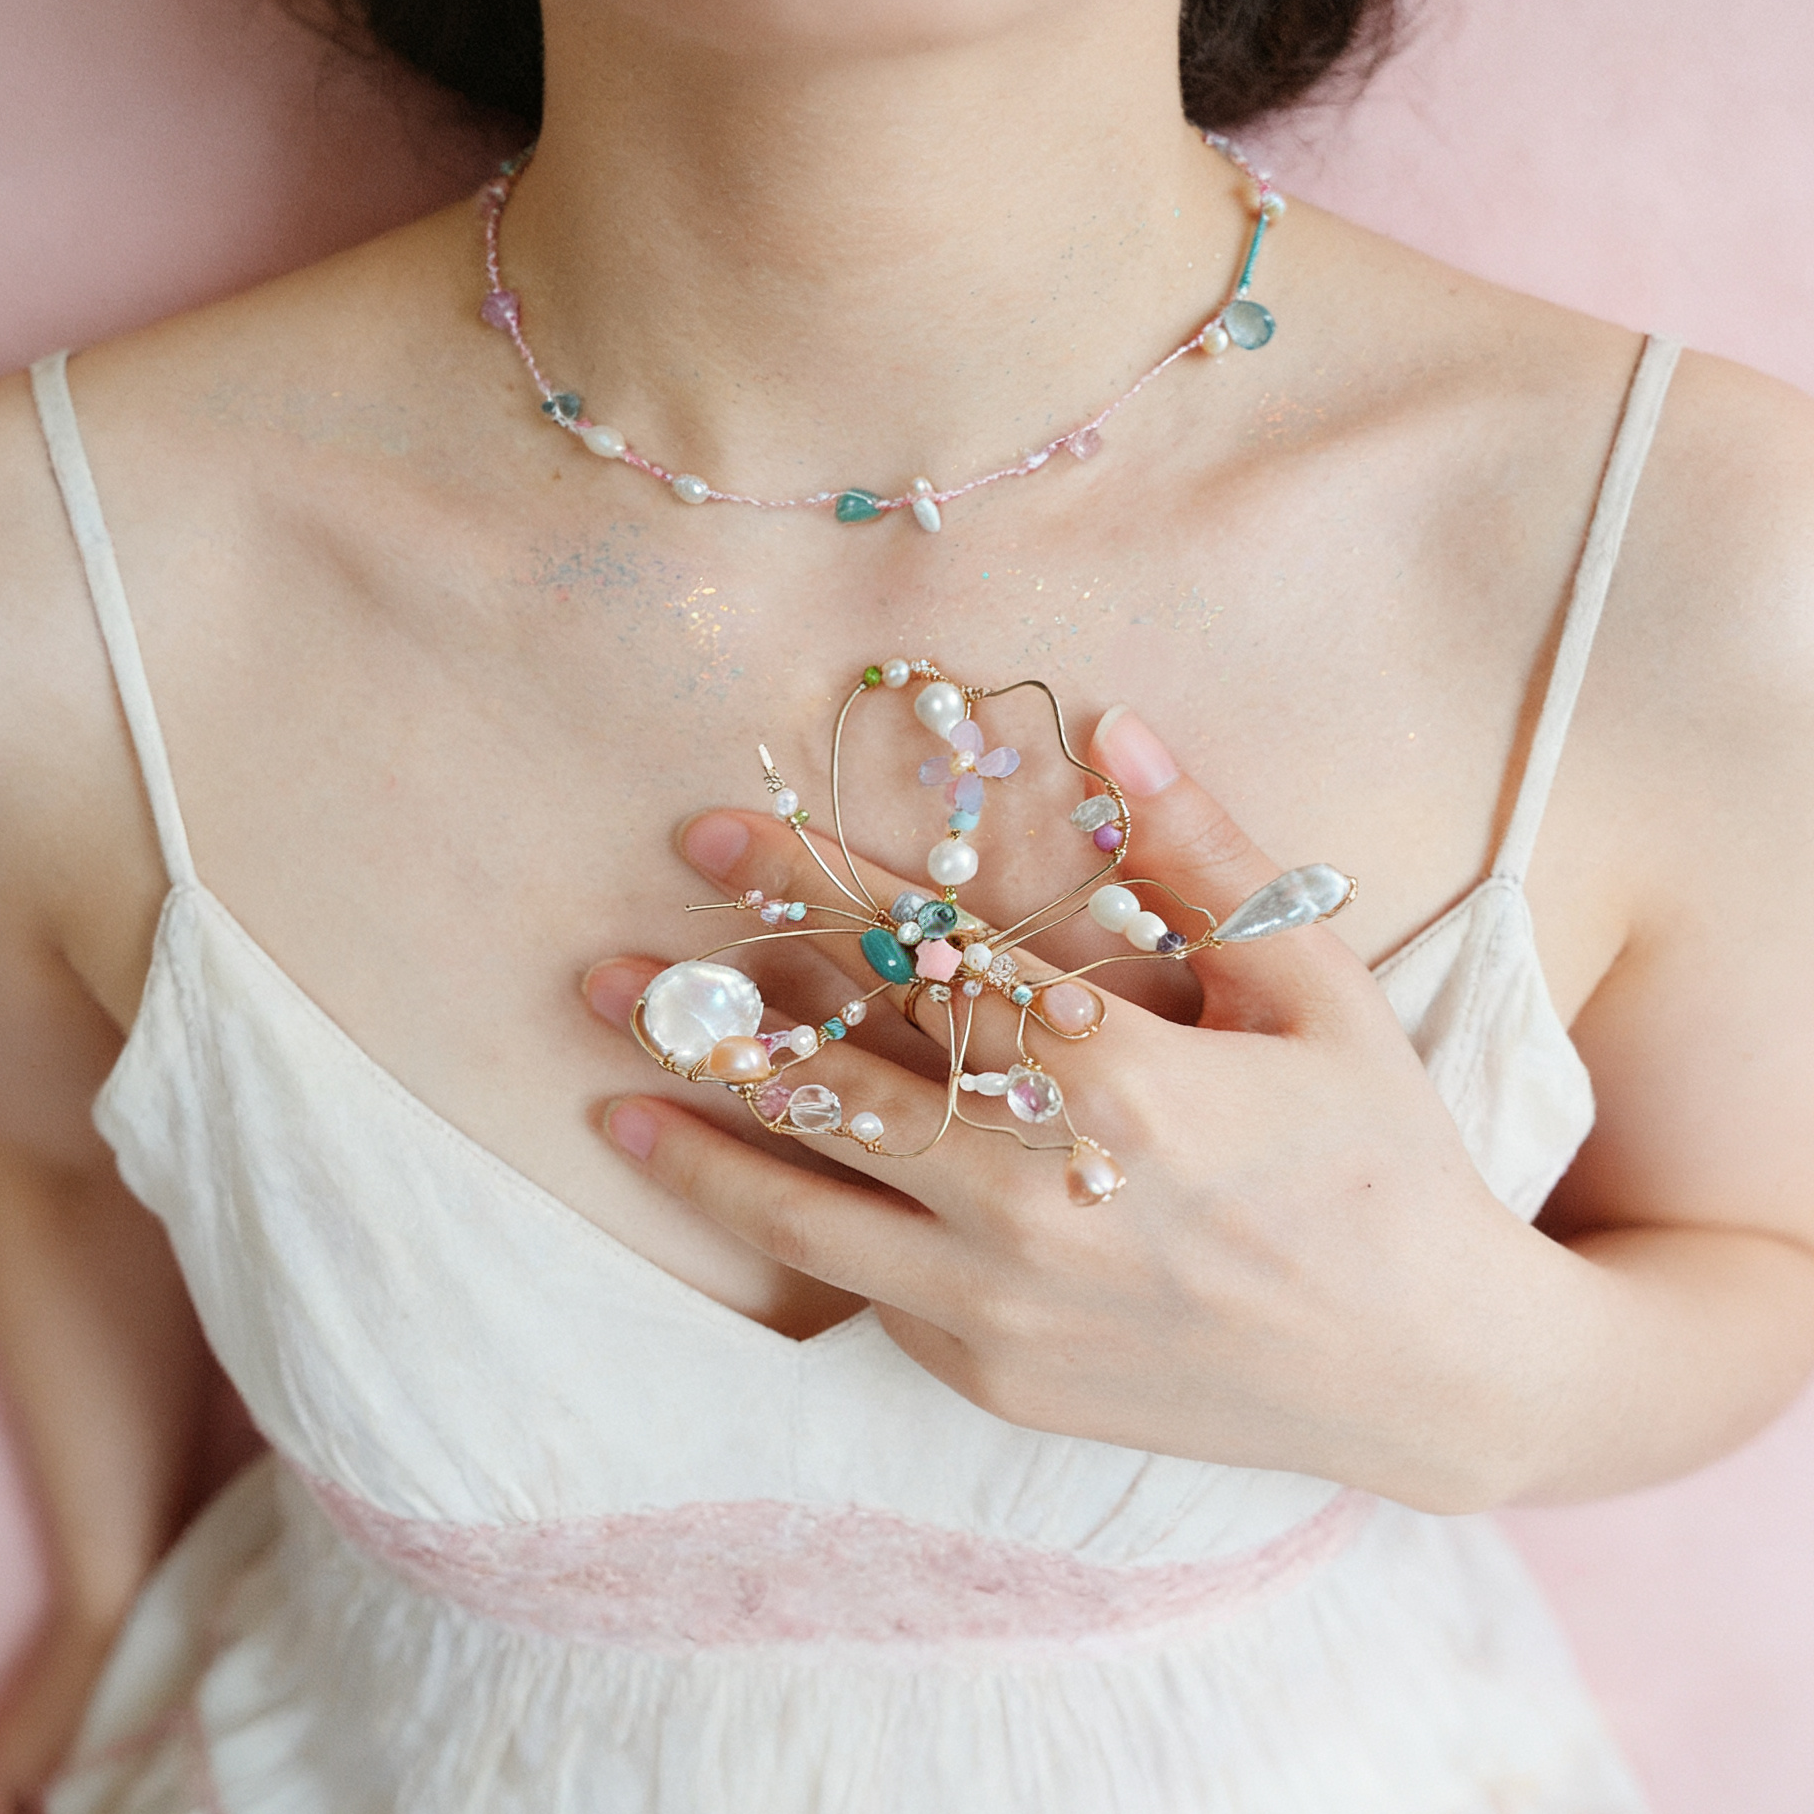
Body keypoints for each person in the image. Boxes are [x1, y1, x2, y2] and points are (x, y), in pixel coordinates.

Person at [2, 0, 1812, 1805]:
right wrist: (94, 1591)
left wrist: (1493, 1382)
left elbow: (1760, 1247)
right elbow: (62, 1161)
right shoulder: (63, 572)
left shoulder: (1688, 544)